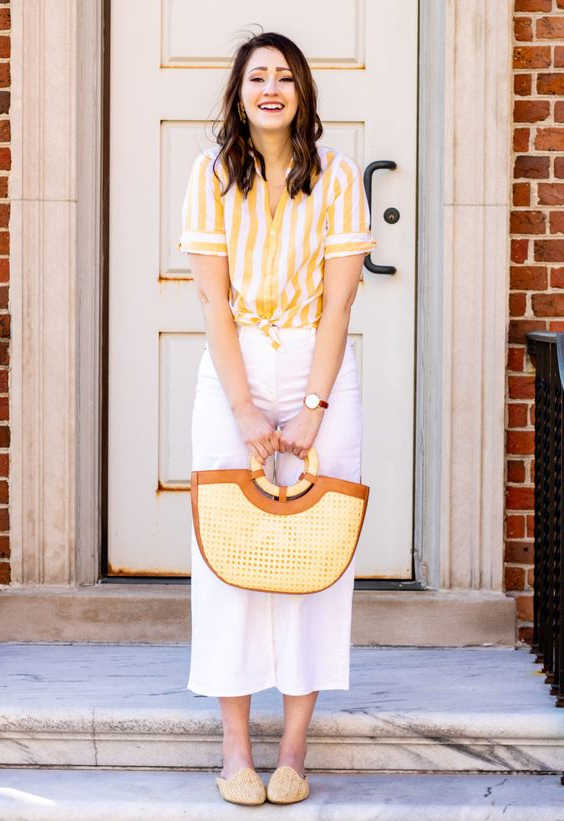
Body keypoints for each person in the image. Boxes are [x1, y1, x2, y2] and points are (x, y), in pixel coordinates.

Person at [177, 30, 376, 806]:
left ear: (303, 94)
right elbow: (210, 301)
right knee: (227, 551)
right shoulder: (210, 176)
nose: (271, 88)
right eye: (257, 76)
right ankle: (235, 749)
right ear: (238, 91)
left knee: (314, 556)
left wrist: (313, 408)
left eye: (285, 77)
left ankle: (294, 746)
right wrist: (246, 411)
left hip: (316, 369)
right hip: (234, 374)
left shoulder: (338, 176)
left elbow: (340, 302)